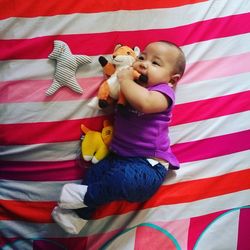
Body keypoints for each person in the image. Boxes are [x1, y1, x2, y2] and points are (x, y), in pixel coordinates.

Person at [52, 41, 186, 234]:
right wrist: (110, 92)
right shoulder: (128, 86)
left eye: (155, 63)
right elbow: (113, 104)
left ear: (172, 80)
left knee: (121, 180)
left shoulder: (163, 93)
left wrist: (125, 81)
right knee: (94, 174)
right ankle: (78, 218)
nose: (143, 63)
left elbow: (145, 104)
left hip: (149, 165)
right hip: (118, 157)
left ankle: (86, 197)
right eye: (142, 57)